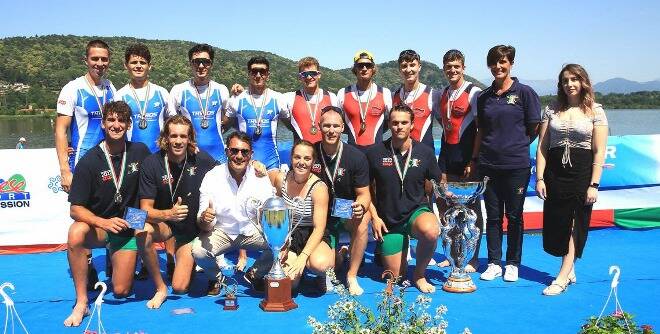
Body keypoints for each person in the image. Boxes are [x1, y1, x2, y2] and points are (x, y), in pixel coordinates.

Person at [63, 101, 150, 327]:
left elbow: (160, 171)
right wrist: (102, 221)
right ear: (103, 123)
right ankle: (81, 301)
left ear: (129, 125)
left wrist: (192, 151)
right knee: (76, 233)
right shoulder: (89, 160)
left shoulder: (140, 151)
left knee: (121, 291)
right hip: (100, 226)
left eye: (121, 120)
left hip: (128, 225)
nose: (116, 125)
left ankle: (118, 255)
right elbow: (75, 209)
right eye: (111, 120)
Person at [536, 64, 608, 295]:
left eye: (575, 79)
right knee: (558, 223)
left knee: (575, 222)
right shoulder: (551, 109)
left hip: (581, 173)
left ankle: (562, 276)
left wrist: (594, 184)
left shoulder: (596, 111)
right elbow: (542, 147)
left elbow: (599, 150)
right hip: (555, 174)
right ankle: (568, 266)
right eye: (565, 80)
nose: (570, 84)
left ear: (583, 82)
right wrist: (540, 178)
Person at [472, 45, 541, 282]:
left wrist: (516, 145)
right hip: (488, 165)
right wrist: (475, 158)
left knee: (514, 216)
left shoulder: (525, 93)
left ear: (511, 63)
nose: (498, 67)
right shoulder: (483, 97)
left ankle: (512, 263)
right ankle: (493, 262)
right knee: (492, 217)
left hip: (516, 166)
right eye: (493, 63)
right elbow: (481, 130)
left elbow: (534, 128)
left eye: (503, 62)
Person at [55, 39, 117, 291]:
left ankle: (114, 257)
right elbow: (61, 131)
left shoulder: (110, 88)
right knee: (84, 218)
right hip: (81, 164)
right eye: (95, 59)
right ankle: (88, 266)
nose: (99, 64)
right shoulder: (72, 89)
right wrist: (64, 169)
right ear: (86, 60)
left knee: (111, 210)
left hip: (110, 163)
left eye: (104, 60)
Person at [137, 115, 216, 307]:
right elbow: (143, 210)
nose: (178, 141)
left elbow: (230, 171)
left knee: (180, 287)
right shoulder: (151, 163)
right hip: (165, 225)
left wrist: (254, 165)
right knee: (139, 229)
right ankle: (160, 288)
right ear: (165, 137)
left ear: (190, 138)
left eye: (183, 136)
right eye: (173, 136)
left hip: (189, 231)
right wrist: (168, 214)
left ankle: (186, 260)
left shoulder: (202, 158)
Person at [116, 43, 178, 280]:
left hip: (159, 161)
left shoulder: (162, 93)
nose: (138, 66)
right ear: (126, 66)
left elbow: (172, 125)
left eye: (142, 62)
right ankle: (143, 259)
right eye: (134, 62)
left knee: (166, 207)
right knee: (136, 211)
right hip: (132, 162)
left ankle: (171, 259)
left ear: (149, 66)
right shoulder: (120, 95)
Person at [366, 104, 440, 293]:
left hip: (416, 212)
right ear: (389, 125)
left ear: (412, 125)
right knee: (396, 277)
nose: (399, 126)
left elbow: (436, 183)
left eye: (404, 123)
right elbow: (365, 190)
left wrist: (437, 205)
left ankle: (420, 275)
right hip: (388, 221)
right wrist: (374, 217)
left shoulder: (425, 152)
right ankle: (401, 247)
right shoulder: (375, 153)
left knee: (431, 231)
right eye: (395, 123)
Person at [193, 131, 274, 295]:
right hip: (222, 232)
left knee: (283, 241)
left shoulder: (260, 176)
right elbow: (202, 223)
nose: (239, 156)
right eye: (234, 151)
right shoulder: (212, 177)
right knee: (198, 251)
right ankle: (216, 279)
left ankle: (255, 274)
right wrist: (205, 218)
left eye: (244, 152)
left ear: (251, 154)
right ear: (226, 152)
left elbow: (268, 217)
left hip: (251, 231)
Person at [312, 106, 371, 295]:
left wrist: (360, 205)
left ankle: (351, 276)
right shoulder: (310, 153)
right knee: (322, 266)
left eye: (336, 126)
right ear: (319, 126)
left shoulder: (356, 156)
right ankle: (338, 257)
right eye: (327, 125)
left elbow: (364, 193)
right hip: (319, 214)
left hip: (344, 210)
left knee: (363, 217)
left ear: (343, 128)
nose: (331, 130)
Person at [436, 49, 484, 273]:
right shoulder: (443, 92)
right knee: (446, 206)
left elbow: (480, 128)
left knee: (472, 209)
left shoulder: (474, 92)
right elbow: (443, 124)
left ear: (463, 67)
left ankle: (473, 257)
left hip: (467, 157)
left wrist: (473, 160)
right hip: (447, 155)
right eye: (448, 67)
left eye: (456, 66)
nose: (452, 70)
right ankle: (453, 253)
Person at [275, 140, 334, 291]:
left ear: (313, 161)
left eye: (307, 159)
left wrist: (303, 257)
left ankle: (335, 259)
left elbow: (319, 228)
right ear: (291, 158)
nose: (301, 162)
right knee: (289, 283)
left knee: (319, 265)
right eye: (297, 157)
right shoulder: (280, 179)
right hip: (291, 234)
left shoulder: (319, 188)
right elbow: (277, 214)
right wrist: (281, 243)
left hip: (313, 233)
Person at [225, 56, 289, 184]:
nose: (258, 75)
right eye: (254, 71)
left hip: (272, 162)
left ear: (268, 74)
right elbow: (222, 127)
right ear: (249, 74)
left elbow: (292, 127)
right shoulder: (236, 101)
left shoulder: (279, 99)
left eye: (262, 71)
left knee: (272, 200)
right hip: (244, 161)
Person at [170, 44, 230, 164]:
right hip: (190, 154)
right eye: (197, 62)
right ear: (190, 64)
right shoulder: (179, 90)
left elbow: (229, 118)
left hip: (218, 154)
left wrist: (221, 127)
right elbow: (171, 125)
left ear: (211, 64)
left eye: (205, 62)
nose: (201, 66)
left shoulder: (221, 89)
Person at [337, 50, 392, 151]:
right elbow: (338, 124)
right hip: (352, 151)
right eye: (360, 65)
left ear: (373, 68)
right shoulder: (343, 93)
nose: (364, 68)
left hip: (377, 152)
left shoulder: (385, 93)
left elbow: (391, 123)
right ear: (355, 69)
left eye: (368, 65)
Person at [284, 57, 338, 144]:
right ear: (300, 77)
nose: (309, 77)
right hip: (303, 154)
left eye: (312, 73)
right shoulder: (290, 98)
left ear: (319, 75)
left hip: (325, 154)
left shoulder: (332, 98)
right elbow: (287, 122)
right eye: (304, 74)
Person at [392, 49, 435, 149]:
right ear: (399, 69)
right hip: (400, 153)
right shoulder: (394, 96)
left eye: (412, 65)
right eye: (404, 66)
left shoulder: (432, 95)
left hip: (424, 155)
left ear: (419, 67)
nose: (408, 70)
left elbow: (446, 123)